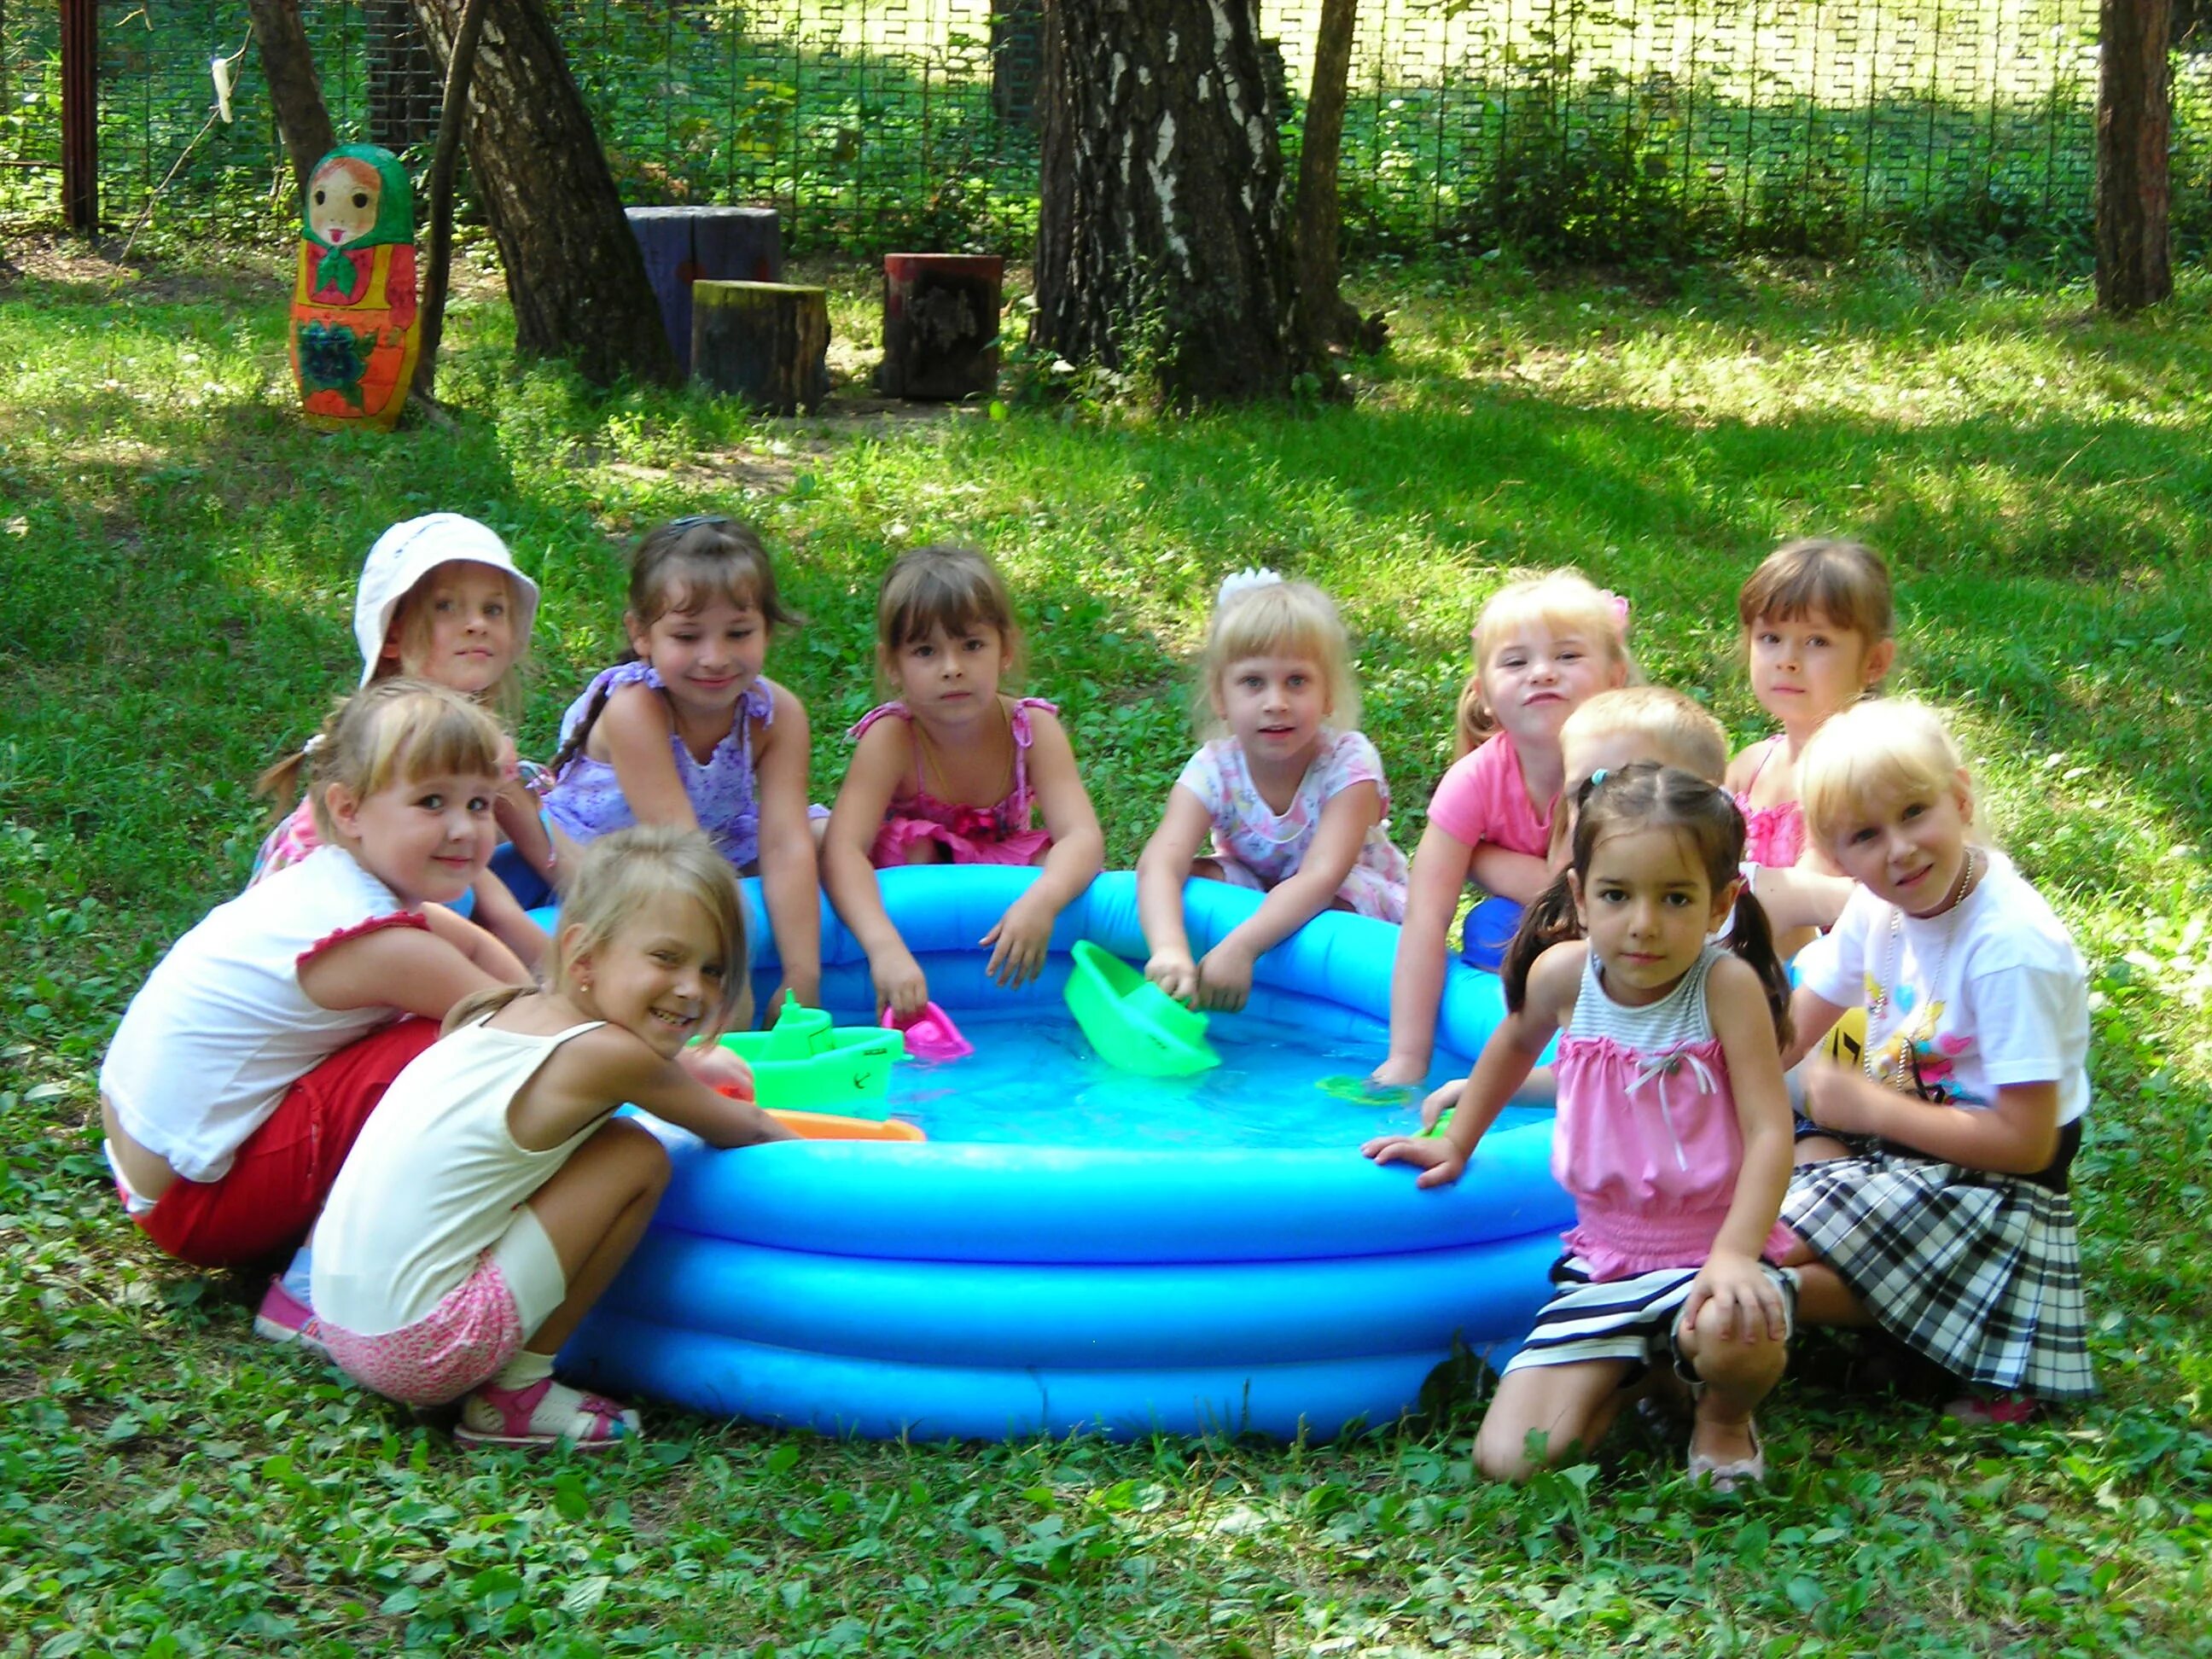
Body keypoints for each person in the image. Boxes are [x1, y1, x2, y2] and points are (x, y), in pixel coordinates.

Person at [1365, 764, 1796, 1487]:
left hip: (1710, 1251)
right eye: (1617, 895)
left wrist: (1735, 1254)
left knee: (1732, 1334)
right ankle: (1644, 1374)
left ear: (1723, 902)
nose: (1644, 924)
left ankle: (1721, 1419)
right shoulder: (1566, 976)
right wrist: (1457, 1139)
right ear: (1581, 894)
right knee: (1511, 1461)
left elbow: (1769, 1132)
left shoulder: (1725, 988)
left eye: (1677, 898)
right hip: (1605, 1260)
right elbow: (1510, 1045)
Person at [311, 825, 798, 1449]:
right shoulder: (610, 1055)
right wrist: (868, 1171)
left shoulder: (490, 1010)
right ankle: (517, 1393)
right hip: (423, 1348)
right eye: (667, 958)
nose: (693, 990)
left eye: (713, 969)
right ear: (585, 957)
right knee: (633, 1154)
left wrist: (685, 1063)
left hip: (340, 1320)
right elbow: (750, 1128)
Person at [98, 681, 533, 1330]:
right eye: (432, 801)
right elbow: (532, 1035)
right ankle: (309, 1290)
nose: (464, 828)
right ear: (348, 809)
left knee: (463, 1030)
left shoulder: (333, 880)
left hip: (154, 1169)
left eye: (479, 802)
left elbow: (470, 940)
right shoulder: (382, 944)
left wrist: (532, 990)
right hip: (195, 1205)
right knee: (452, 1051)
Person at [1777, 699, 2095, 1418]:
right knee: (1767, 1186)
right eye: (1865, 835)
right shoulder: (1875, 906)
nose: (1898, 850)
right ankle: (1920, 1324)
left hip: (1997, 1185)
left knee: (1771, 1252)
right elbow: (1788, 1036)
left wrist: (1870, 1106)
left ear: (1959, 797)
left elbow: (2028, 1141)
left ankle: (1978, 1334)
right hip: (1903, 1152)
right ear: (1836, 852)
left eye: (1915, 812)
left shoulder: (2010, 949)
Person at [544, 515, 823, 1011]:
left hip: (710, 838)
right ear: (642, 635)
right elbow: (684, 854)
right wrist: (733, 980)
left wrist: (801, 974)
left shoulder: (776, 716)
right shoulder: (635, 709)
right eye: (688, 637)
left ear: (767, 630)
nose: (715, 658)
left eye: (738, 633)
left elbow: (785, 843)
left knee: (824, 836)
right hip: (613, 853)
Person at [252, 511, 556, 966]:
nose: (476, 624)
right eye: (446, 607)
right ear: (392, 634)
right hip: (356, 952)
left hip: (428, 918)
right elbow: (498, 894)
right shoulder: (404, 746)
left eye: (493, 609)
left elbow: (543, 864)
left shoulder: (475, 746)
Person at [1371, 570, 1632, 1087]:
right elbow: (1425, 919)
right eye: (1516, 662)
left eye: (1567, 656)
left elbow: (1605, 895)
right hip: (1541, 927)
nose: (1541, 673)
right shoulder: (1474, 781)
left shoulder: (1630, 768)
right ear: (1485, 695)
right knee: (1493, 930)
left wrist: (1489, 861)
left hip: (1624, 934)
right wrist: (1407, 1057)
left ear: (1615, 677)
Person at [823, 544, 1104, 1016]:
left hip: (998, 867)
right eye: (926, 651)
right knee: (918, 849)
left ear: (1006, 650)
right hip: (915, 875)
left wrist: (1043, 903)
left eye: (971, 646)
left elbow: (1081, 835)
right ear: (892, 664)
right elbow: (842, 848)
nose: (952, 667)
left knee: (1053, 866)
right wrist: (883, 947)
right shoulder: (893, 738)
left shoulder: (1032, 729)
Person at [1137, 569, 1409, 1011]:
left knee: (1334, 904)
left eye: (1297, 681)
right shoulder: (1215, 768)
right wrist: (1167, 948)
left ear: (1328, 696)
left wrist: (1240, 947)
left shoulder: (1348, 761)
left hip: (1347, 895)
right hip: (1258, 886)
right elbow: (1159, 862)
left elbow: (1322, 878)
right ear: (1221, 698)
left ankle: (1318, 1000)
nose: (1276, 702)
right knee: (1195, 877)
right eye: (1253, 682)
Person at [1725, 538, 1897, 958]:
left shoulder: (1863, 771)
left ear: (1874, 662)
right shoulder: (1752, 766)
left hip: (1849, 983)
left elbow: (1795, 901)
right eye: (1770, 638)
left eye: (1817, 641)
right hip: (1747, 955)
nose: (1788, 659)